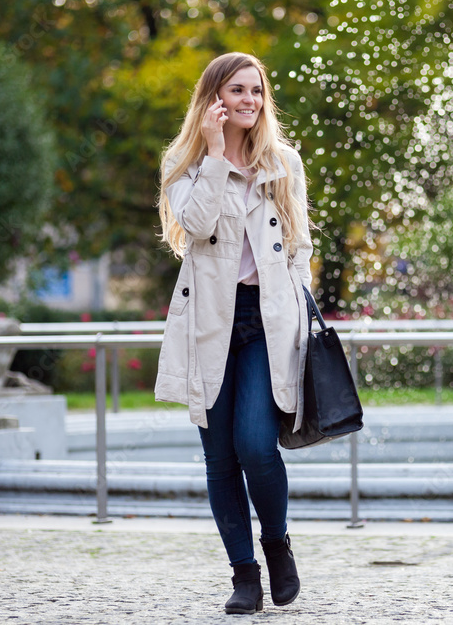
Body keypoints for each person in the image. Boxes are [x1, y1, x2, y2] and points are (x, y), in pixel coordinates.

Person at [154, 52, 314, 615]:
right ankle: (244, 576)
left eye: (256, 91)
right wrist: (217, 155)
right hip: (208, 324)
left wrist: (297, 317)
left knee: (254, 444)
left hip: (266, 322)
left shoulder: (283, 163)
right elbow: (194, 227)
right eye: (237, 91)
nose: (249, 100)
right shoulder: (186, 162)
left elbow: (299, 250)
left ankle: (276, 544)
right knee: (220, 458)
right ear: (213, 99)